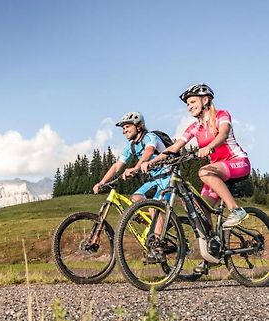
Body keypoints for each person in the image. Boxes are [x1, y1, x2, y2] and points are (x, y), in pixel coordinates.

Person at [141, 83, 251, 229]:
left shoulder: (221, 115)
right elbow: (174, 147)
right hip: (216, 171)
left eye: (192, 102)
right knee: (199, 209)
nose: (189, 107)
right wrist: (152, 161)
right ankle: (214, 246)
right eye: (187, 104)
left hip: (237, 162)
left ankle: (236, 210)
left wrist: (209, 146)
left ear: (205, 100)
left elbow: (223, 133)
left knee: (204, 171)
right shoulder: (195, 127)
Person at [93, 111, 170, 201]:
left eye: (127, 126)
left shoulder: (150, 137)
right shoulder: (131, 147)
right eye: (123, 128)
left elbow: (149, 152)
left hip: (168, 176)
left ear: (139, 126)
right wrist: (101, 183)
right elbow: (117, 166)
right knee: (135, 199)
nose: (124, 130)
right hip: (153, 179)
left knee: (154, 208)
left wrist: (135, 168)